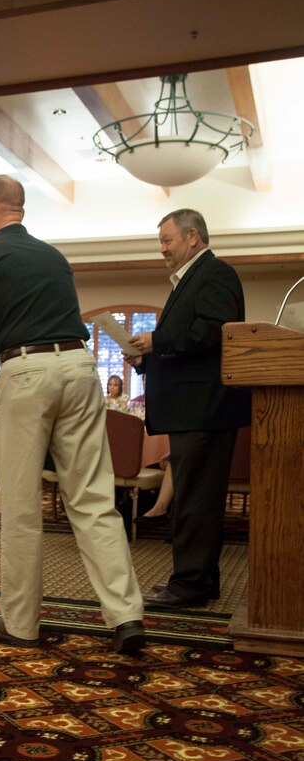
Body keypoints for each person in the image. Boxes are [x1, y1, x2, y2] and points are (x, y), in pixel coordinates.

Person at [0, 175, 145, 654]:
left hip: (25, 371)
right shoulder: (54, 257)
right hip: (81, 367)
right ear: (20, 209)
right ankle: (125, 615)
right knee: (93, 500)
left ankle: (19, 624)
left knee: (21, 508)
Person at [124, 209, 250, 609]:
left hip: (205, 408)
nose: (162, 249)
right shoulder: (189, 281)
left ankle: (191, 585)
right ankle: (199, 581)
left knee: (196, 499)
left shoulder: (215, 273)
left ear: (193, 237)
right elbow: (191, 346)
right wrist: (149, 359)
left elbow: (213, 331)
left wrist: (157, 341)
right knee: (195, 497)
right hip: (193, 409)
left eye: (167, 240)